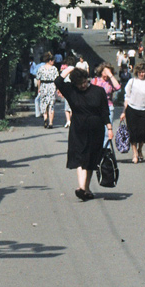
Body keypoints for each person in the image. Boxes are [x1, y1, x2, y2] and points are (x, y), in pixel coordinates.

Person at [54, 67, 112, 201]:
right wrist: (69, 69)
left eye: (84, 82)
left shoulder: (98, 91)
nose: (83, 85)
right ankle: (81, 188)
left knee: (91, 159)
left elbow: (104, 111)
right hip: (78, 129)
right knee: (81, 157)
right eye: (79, 84)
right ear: (74, 84)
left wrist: (109, 129)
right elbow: (58, 81)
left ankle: (86, 189)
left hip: (96, 129)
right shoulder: (71, 91)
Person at [122, 61, 145, 163]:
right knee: (133, 133)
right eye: (139, 72)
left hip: (143, 110)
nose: (141, 74)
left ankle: (140, 149)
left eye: (143, 72)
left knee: (142, 133)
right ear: (136, 72)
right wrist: (123, 112)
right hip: (131, 109)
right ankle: (134, 153)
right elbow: (127, 97)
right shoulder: (132, 81)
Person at [33, 52, 59, 129]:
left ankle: (45, 119)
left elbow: (38, 79)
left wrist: (39, 88)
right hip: (52, 86)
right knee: (51, 105)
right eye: (53, 60)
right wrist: (57, 89)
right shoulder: (54, 69)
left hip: (43, 86)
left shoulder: (41, 68)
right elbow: (57, 79)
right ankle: (51, 123)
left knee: (43, 104)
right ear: (50, 61)